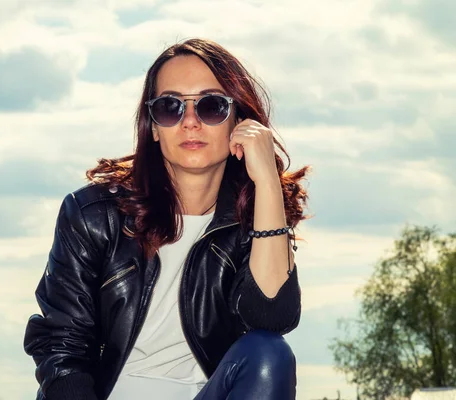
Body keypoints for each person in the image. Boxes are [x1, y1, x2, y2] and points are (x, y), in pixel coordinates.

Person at [23, 38, 310, 400]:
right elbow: (61, 347)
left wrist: (267, 181)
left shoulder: (251, 220)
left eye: (211, 106)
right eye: (170, 107)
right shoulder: (94, 215)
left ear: (238, 121)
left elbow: (271, 319)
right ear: (154, 127)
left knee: (270, 353)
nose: (190, 122)